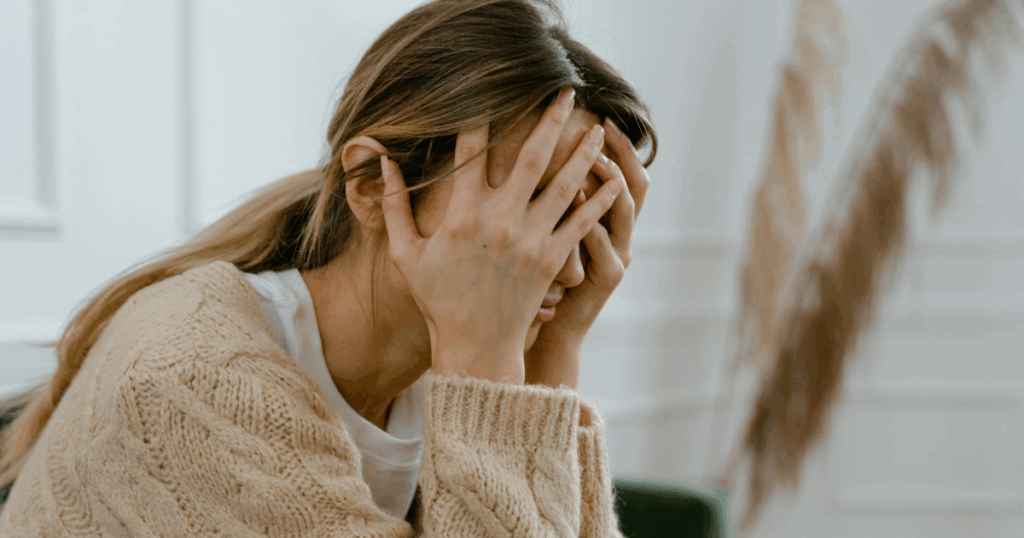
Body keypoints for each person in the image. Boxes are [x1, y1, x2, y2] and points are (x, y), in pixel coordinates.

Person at [0, 0, 657, 535]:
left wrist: (555, 353)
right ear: (373, 184)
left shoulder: (448, 364)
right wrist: (495, 370)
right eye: (529, 205)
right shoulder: (193, 378)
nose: (564, 263)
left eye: (589, 216)